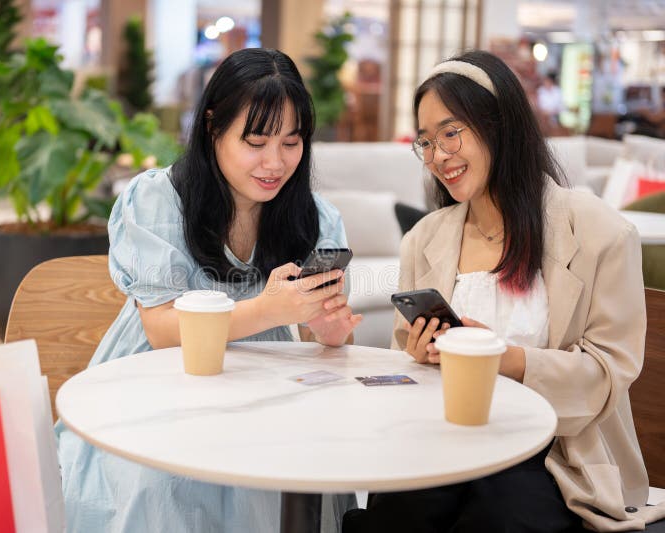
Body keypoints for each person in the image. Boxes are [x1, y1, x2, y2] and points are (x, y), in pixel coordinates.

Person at [344, 50, 665, 532]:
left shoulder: (597, 230)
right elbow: (407, 378)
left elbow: (608, 373)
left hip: (558, 454)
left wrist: (504, 359)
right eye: (426, 142)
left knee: (496, 513)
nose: (438, 156)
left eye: (451, 133)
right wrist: (416, 356)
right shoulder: (424, 240)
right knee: (395, 510)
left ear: (499, 124)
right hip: (449, 438)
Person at [57, 48, 362, 533]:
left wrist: (328, 329)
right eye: (256, 141)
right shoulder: (159, 199)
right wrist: (268, 309)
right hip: (160, 378)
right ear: (212, 127)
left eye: (291, 142)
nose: (274, 163)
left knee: (301, 476)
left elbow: (323, 338)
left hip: (263, 384)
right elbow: (160, 331)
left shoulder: (315, 216)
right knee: (160, 486)